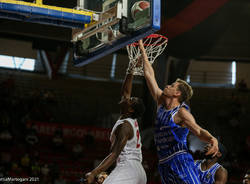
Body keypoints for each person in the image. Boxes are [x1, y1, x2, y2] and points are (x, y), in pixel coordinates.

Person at [139, 39, 219, 183]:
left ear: (177, 94)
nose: (168, 86)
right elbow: (149, 74)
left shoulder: (181, 112)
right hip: (163, 163)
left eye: (172, 85)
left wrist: (213, 139)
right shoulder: (160, 102)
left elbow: (199, 131)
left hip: (179, 159)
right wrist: (141, 47)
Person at [85, 70, 147, 184]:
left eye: (130, 100)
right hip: (137, 170)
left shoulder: (125, 127)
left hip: (128, 168)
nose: (126, 98)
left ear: (130, 109)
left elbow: (114, 154)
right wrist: (131, 70)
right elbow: (126, 91)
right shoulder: (129, 118)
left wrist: (94, 173)